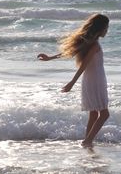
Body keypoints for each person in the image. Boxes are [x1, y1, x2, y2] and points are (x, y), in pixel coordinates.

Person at [37, 13, 110, 147]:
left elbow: (70, 51)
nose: (107, 30)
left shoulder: (89, 43)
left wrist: (50, 58)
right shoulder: (94, 45)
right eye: (106, 27)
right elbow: (83, 66)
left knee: (94, 114)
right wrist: (71, 82)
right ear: (100, 28)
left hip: (90, 80)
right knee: (104, 114)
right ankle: (87, 141)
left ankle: (88, 143)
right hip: (96, 81)